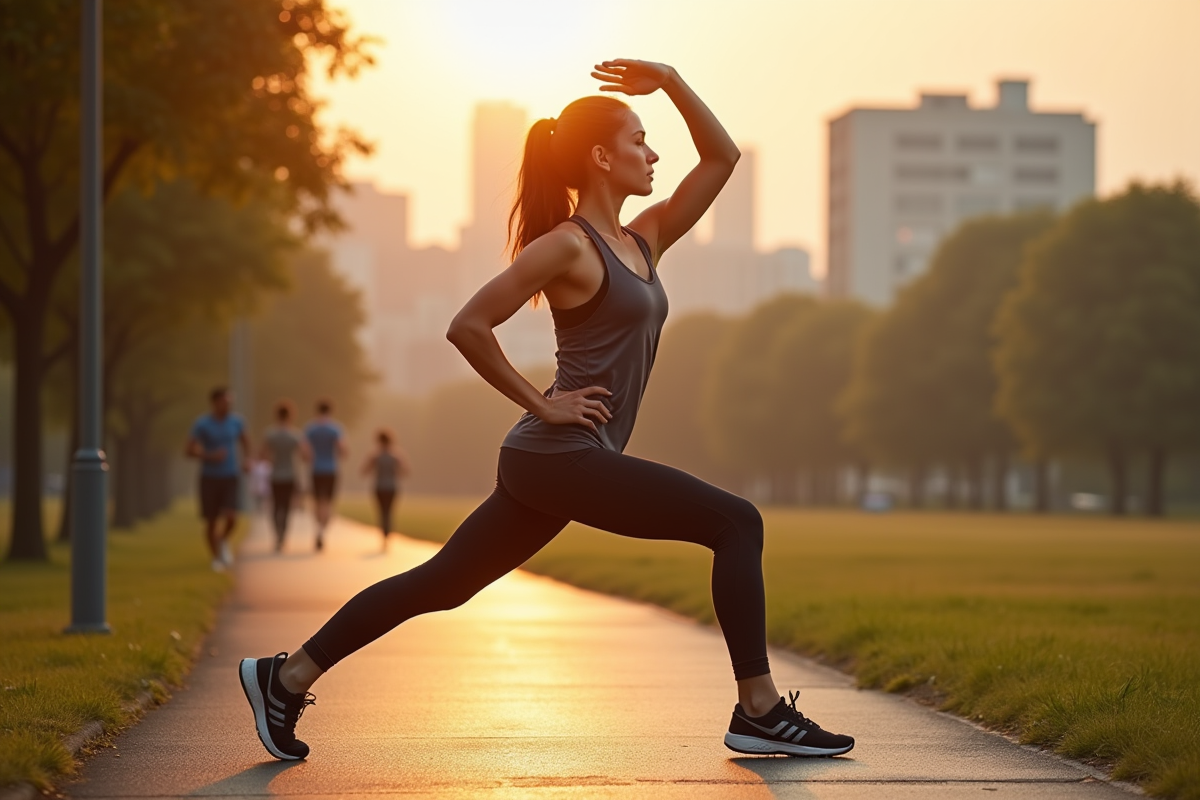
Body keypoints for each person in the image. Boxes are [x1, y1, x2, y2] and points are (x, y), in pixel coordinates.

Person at [240, 59, 854, 762]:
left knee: (442, 584)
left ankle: (283, 679)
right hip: (556, 454)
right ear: (600, 156)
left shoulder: (644, 238)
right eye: (640, 140)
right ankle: (759, 709)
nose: (654, 154)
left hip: (558, 462)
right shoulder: (567, 245)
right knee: (735, 521)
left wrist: (673, 80)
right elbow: (469, 324)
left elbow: (722, 158)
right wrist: (544, 403)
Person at [185, 386, 249, 572]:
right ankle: (216, 559)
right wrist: (209, 456)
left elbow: (245, 441)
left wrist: (247, 460)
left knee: (231, 517)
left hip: (230, 476)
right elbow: (189, 450)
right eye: (224, 402)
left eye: (230, 402)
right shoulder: (202, 424)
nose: (228, 405)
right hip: (209, 477)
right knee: (211, 520)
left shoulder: (236, 422)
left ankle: (222, 541)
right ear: (215, 403)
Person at [260, 400, 310, 553]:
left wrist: (272, 460)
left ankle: (277, 535)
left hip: (275, 474)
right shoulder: (295, 435)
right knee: (287, 507)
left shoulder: (270, 434)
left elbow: (263, 454)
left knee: (276, 506)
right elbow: (305, 455)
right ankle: (283, 536)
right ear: (290, 416)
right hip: (290, 475)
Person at [304, 399, 346, 552]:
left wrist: (310, 459)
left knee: (317, 502)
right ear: (330, 411)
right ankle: (322, 530)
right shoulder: (335, 429)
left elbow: (305, 450)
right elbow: (342, 449)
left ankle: (318, 529)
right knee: (328, 503)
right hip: (331, 470)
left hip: (316, 470)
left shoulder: (311, 428)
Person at [361, 428, 410, 551]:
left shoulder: (375, 455)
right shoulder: (396, 455)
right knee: (389, 511)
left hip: (379, 487)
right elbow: (405, 471)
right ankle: (387, 535)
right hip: (392, 487)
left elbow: (365, 470)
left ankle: (384, 535)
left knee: (382, 512)